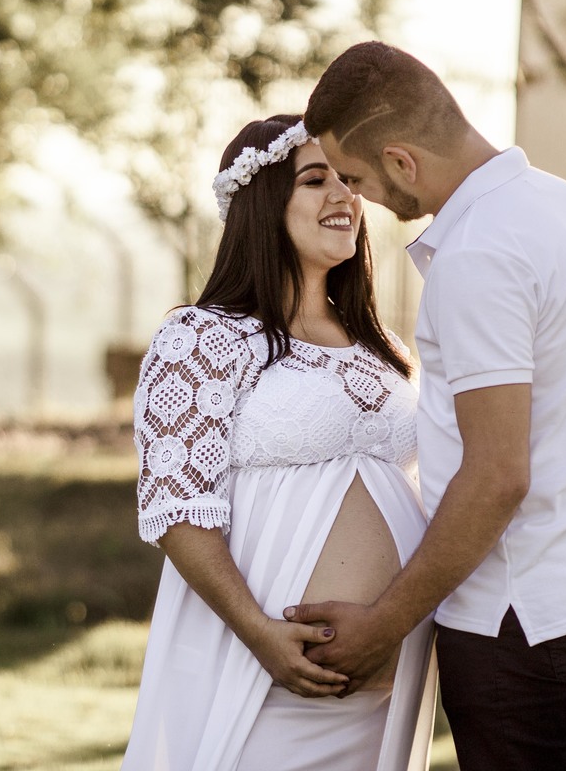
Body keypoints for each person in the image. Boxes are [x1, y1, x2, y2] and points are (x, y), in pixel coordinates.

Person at [284, 42, 566, 770]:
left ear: (401, 160)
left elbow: (497, 474)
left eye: (358, 178)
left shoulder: (479, 253)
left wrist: (384, 623)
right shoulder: (565, 207)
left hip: (516, 610)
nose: (360, 199)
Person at [120, 114, 437, 771]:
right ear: (263, 206)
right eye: (315, 180)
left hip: (384, 697)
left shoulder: (385, 352)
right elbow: (178, 510)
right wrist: (259, 633)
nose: (344, 195)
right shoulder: (203, 338)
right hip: (260, 675)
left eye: (348, 179)